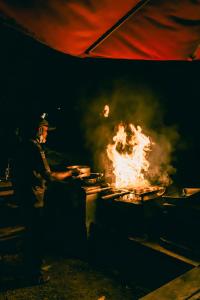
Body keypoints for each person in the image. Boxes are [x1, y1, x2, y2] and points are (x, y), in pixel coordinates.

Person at [12, 117, 80, 285]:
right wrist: (70, 174)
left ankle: (28, 268)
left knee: (30, 234)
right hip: (34, 199)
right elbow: (49, 176)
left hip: (23, 197)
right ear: (39, 130)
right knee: (36, 237)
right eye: (46, 131)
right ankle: (35, 275)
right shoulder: (34, 148)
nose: (47, 134)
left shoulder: (21, 146)